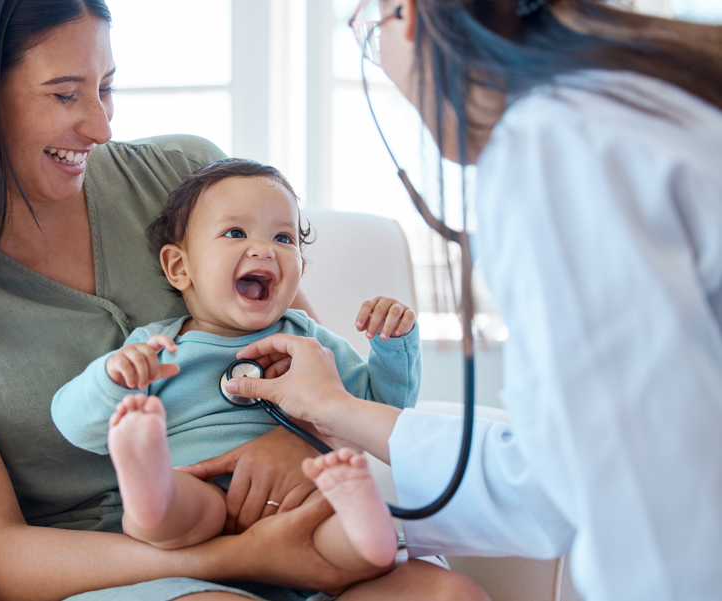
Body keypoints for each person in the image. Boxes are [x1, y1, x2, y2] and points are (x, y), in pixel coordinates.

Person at [0, 1, 489, 600]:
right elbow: (3, 553)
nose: (99, 125)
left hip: (293, 522)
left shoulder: (183, 178)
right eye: (65, 94)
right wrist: (235, 557)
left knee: (447, 596)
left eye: (106, 87)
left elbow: (308, 368)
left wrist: (298, 448)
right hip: (126, 571)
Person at [203, 1, 722, 600]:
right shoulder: (644, 102)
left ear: (411, 16)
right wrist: (335, 412)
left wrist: (337, 415)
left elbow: (627, 502)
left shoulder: (560, 149)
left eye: (372, 31)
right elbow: (566, 472)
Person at [52, 158, 420, 571]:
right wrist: (111, 379)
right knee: (169, 514)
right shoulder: (157, 348)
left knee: (344, 541)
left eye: (284, 237)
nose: (265, 248)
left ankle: (365, 524)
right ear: (180, 267)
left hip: (302, 496)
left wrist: (392, 345)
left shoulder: (309, 341)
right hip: (199, 489)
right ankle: (149, 482)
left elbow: (379, 409)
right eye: (235, 232)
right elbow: (74, 424)